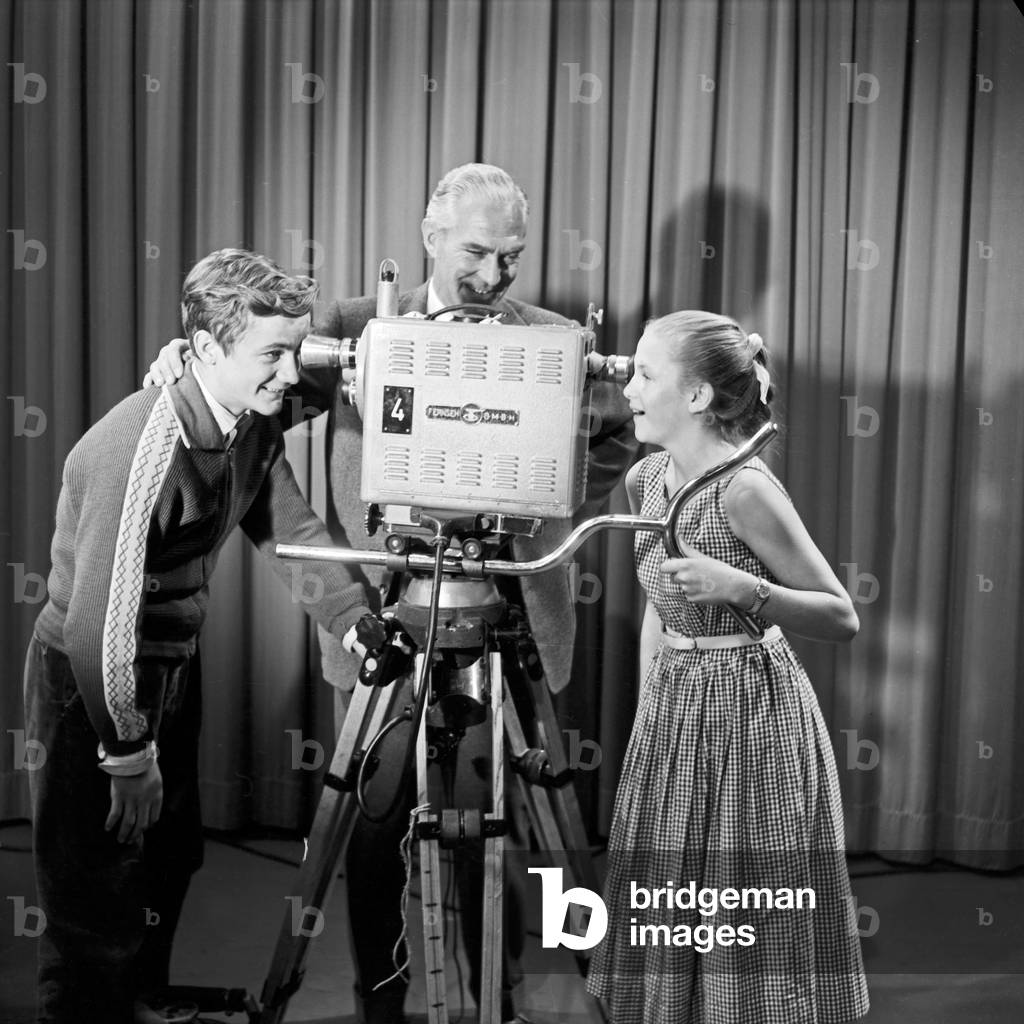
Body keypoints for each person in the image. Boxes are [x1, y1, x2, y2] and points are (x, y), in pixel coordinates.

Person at [145, 163, 637, 1023]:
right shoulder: (349, 330)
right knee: (378, 825)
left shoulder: (554, 339)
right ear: (430, 235)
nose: (493, 278)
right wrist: (192, 362)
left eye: (512, 257)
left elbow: (622, 441)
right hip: (389, 621)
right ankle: (382, 1003)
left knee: (503, 825)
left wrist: (546, 498)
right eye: (477, 253)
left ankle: (500, 1000)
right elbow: (248, 427)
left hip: (509, 616)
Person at [24, 249, 383, 1024]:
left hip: (164, 664)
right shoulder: (138, 449)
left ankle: (140, 999)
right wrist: (126, 753)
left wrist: (353, 621)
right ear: (207, 350)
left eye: (294, 352)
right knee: (94, 888)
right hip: (92, 681)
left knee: (166, 857)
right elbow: (97, 625)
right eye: (273, 355)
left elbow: (286, 526)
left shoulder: (246, 418)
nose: (291, 376)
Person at [586, 311, 870, 1023]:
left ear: (699, 397)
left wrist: (747, 590)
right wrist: (653, 712)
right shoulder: (647, 479)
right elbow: (661, 600)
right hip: (675, 711)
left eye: (647, 375)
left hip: (753, 718)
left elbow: (842, 616)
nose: (629, 390)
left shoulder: (745, 491)